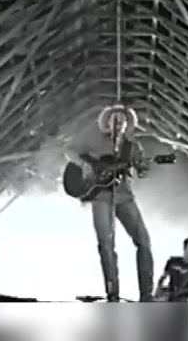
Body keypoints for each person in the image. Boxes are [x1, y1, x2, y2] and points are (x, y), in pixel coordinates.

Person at [66, 104, 154, 302]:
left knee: (143, 240)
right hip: (100, 197)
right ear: (107, 121)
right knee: (106, 244)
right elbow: (69, 151)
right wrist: (87, 165)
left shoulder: (132, 146)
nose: (118, 123)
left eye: (122, 121)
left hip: (125, 196)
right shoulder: (92, 139)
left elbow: (143, 170)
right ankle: (112, 293)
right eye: (115, 119)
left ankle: (147, 294)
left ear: (127, 125)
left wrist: (144, 168)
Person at [155, 236, 188, 302]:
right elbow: (163, 278)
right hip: (169, 296)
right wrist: (158, 291)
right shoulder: (172, 261)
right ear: (184, 248)